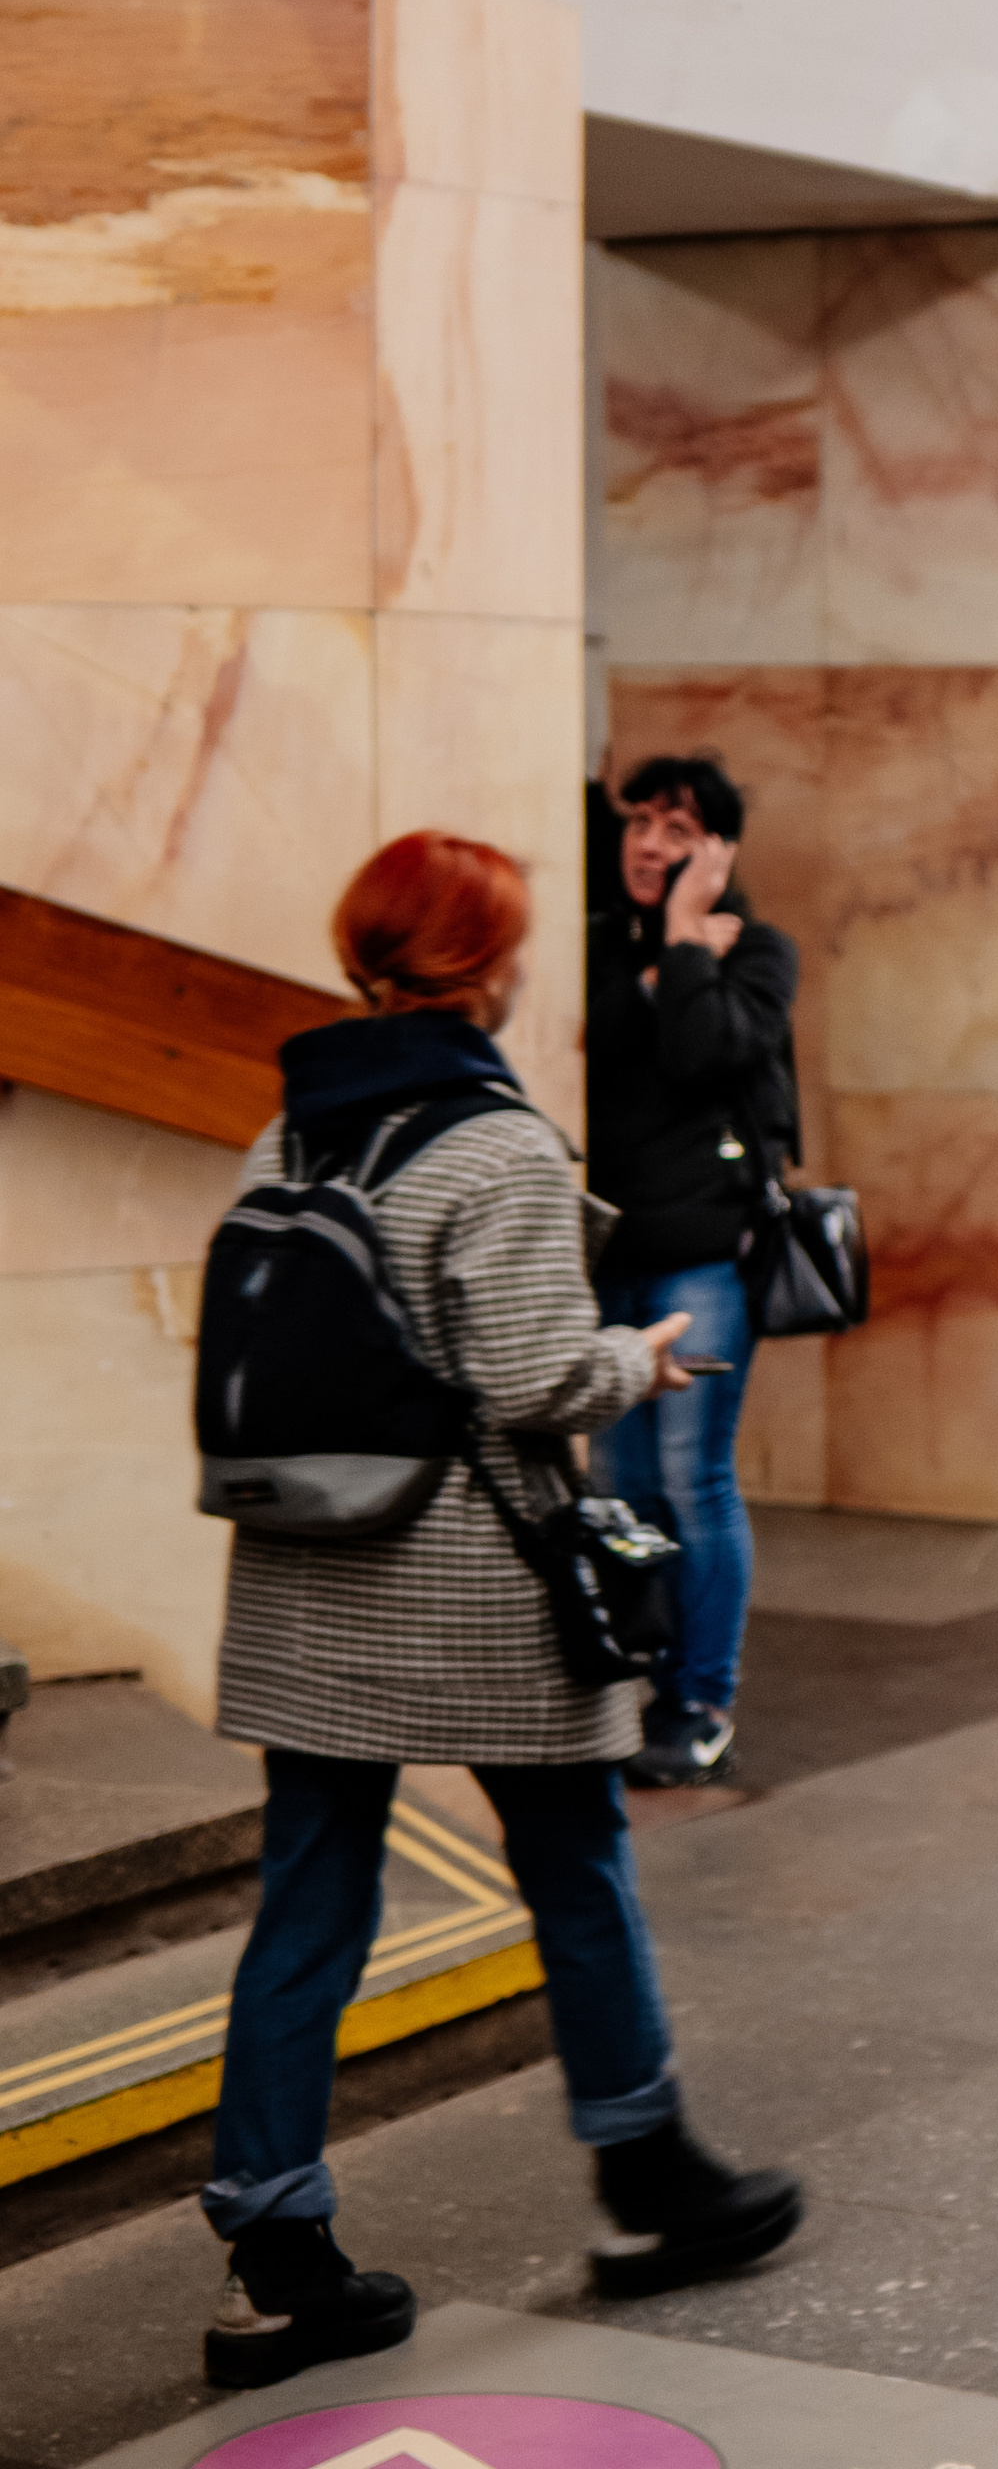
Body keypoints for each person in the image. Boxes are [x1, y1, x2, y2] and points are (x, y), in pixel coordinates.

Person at [203, 829, 802, 2390]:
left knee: (309, 1902)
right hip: (476, 1580)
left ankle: (275, 2252)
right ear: (486, 965)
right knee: (578, 1864)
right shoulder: (498, 1140)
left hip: (304, 1578)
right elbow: (535, 1378)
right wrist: (640, 1356)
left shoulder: (293, 1130)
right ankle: (649, 2175)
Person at [587, 753, 800, 1788]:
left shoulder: (758, 951)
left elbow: (704, 1049)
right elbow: (590, 1048)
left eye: (677, 829)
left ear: (718, 852)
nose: (649, 843)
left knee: (691, 1479)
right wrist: (655, 969)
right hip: (604, 1255)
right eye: (640, 820)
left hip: (704, 1261)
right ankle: (637, 1677)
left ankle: (700, 1699)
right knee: (621, 1485)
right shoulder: (594, 941)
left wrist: (681, 940)